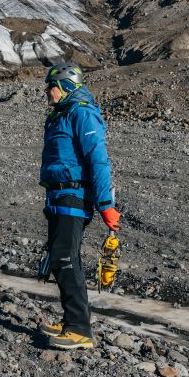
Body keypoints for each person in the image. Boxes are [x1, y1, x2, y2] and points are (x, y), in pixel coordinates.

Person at [37, 63, 121, 350]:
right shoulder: (62, 114)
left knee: (64, 258)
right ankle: (71, 321)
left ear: (67, 86)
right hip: (59, 196)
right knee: (62, 258)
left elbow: (98, 160)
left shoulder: (82, 113)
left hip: (74, 196)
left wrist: (106, 205)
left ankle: (79, 329)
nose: (47, 91)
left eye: (51, 85)